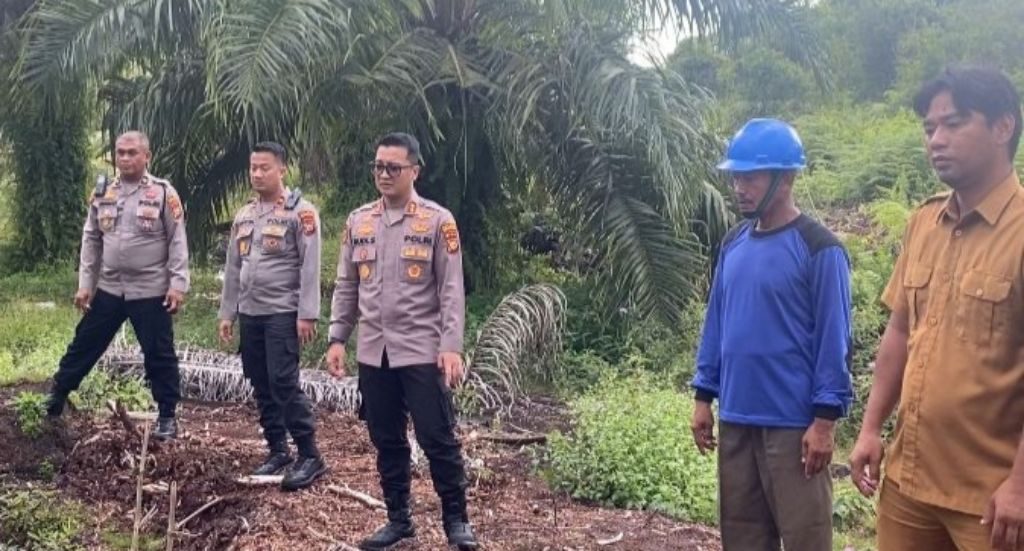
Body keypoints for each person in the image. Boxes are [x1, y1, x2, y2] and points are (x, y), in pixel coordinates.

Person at [849, 66, 1024, 551]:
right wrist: (869, 428)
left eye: (954, 123)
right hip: (909, 483)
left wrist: (1019, 485)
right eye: (929, 128)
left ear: (1003, 127)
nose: (936, 140)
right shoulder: (924, 223)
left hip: (991, 498)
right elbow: (900, 333)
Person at [690, 118, 854, 550]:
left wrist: (824, 422)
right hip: (737, 418)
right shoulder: (733, 244)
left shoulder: (820, 248)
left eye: (751, 177)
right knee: (742, 537)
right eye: (735, 178)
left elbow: (835, 341)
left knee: (805, 538)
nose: (739, 188)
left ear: (786, 178)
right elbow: (717, 322)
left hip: (793, 426)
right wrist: (703, 397)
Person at [327, 132, 478, 550]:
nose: (384, 174)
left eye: (393, 167)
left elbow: (451, 290)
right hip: (374, 351)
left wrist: (451, 346)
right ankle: (398, 519)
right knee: (386, 439)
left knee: (437, 437)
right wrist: (338, 338)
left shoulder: (437, 221)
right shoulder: (359, 222)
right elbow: (346, 285)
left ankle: (456, 521)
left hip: (421, 349)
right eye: (378, 166)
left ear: (415, 171)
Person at [44, 131, 189, 440]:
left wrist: (178, 285)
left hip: (150, 289)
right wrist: (86, 284)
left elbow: (177, 241)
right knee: (85, 343)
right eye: (120, 152)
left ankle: (167, 416)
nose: (124, 158)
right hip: (110, 287)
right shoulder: (103, 193)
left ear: (146, 156)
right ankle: (57, 395)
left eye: (131, 152)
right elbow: (91, 239)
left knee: (159, 353)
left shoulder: (163, 193)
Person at [218, 141, 326, 491]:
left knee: (282, 380)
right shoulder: (245, 215)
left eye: (265, 168)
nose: (257, 174)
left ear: (282, 169)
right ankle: (278, 449)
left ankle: (309, 454)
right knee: (260, 381)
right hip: (251, 311)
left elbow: (310, 266)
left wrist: (307, 314)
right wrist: (227, 312)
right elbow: (233, 267)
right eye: (253, 168)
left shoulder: (300, 213)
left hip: (282, 311)